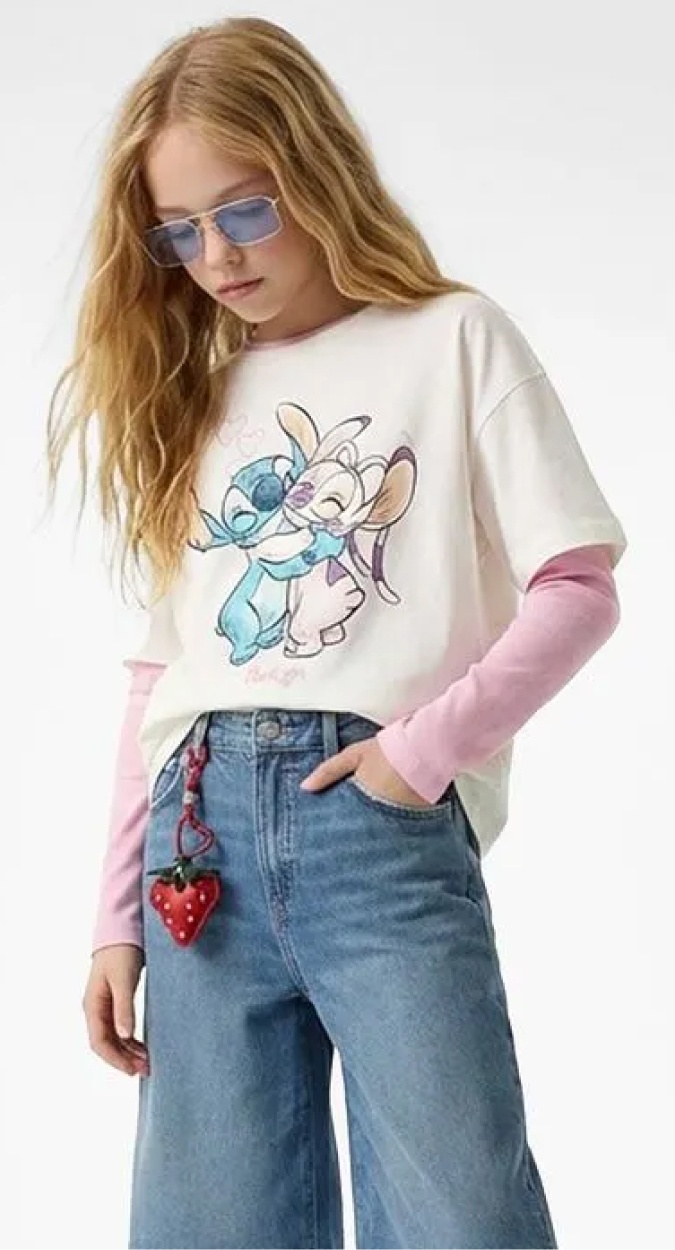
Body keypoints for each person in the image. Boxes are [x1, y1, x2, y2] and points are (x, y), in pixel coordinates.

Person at [45, 16, 627, 1250]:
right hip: (196, 840)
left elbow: (578, 586)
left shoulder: (454, 338)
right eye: (179, 230)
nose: (215, 256)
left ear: (317, 169)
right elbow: (161, 672)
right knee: (211, 1219)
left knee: (462, 1210)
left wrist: (419, 755)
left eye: (245, 212)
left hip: (377, 823)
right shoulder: (202, 393)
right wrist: (114, 915)